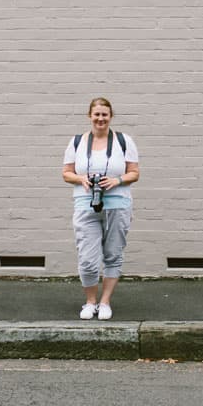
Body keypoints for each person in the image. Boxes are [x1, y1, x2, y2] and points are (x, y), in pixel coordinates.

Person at [62, 97, 140, 320]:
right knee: (87, 259)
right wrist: (81, 179)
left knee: (113, 254)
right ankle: (90, 301)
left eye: (104, 114)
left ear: (111, 116)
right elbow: (65, 173)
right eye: (96, 114)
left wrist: (118, 180)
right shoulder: (77, 142)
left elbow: (135, 172)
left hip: (118, 205)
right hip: (86, 206)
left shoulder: (123, 141)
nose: (100, 119)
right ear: (89, 116)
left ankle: (105, 302)